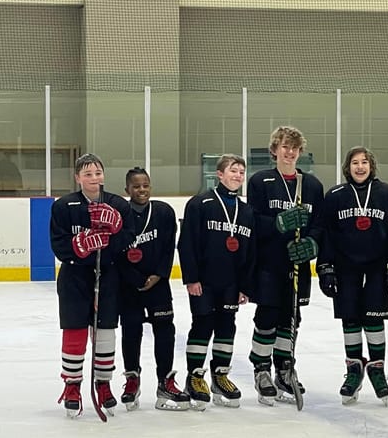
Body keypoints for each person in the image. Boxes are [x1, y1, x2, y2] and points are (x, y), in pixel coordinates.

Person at [315, 146, 388, 406]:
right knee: (351, 318)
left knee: (375, 319)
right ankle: (355, 369)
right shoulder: (335, 195)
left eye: (364, 162)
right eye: (355, 162)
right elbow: (326, 233)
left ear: (371, 165)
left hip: (377, 267)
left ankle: (376, 369)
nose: (360, 167)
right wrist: (326, 267)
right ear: (347, 167)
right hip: (345, 268)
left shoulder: (386, 193)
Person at [50, 153, 134, 418]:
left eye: (97, 173)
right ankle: (72, 385)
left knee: (106, 330)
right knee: (74, 330)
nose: (94, 178)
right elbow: (59, 244)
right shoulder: (64, 206)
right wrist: (79, 247)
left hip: (108, 275)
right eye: (87, 174)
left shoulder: (118, 204)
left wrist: (115, 232)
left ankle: (103, 384)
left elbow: (129, 240)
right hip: (75, 277)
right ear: (78, 178)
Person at [246, 126, 323, 406]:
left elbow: (319, 225)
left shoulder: (312, 185)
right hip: (268, 263)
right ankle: (261, 369)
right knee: (267, 316)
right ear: (274, 150)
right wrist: (276, 224)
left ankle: (284, 369)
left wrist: (312, 245)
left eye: (294, 148)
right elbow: (251, 220)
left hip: (297, 266)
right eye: (284, 147)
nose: (289, 152)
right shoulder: (260, 181)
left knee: (291, 320)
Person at [177, 154, 256, 409]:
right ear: (219, 174)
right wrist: (191, 277)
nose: (238, 176)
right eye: (233, 171)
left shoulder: (245, 210)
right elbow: (186, 242)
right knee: (202, 324)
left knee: (226, 326)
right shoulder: (201, 203)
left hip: (232, 282)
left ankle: (220, 375)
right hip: (204, 281)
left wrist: (245, 285)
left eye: (242, 172)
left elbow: (249, 251)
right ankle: (195, 376)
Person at [117, 167, 189, 412]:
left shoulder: (163, 212)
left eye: (145, 185)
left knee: (165, 330)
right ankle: (132, 379)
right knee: (131, 332)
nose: (142, 190)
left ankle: (166, 381)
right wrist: (135, 278)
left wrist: (159, 273)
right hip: (129, 286)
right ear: (127, 190)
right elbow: (117, 252)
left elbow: (170, 246)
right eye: (136, 186)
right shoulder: (119, 214)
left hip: (158, 284)